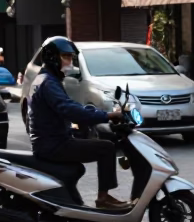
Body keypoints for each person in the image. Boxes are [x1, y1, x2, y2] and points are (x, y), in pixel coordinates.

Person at [27, 37, 132, 212]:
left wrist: (89, 118)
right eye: (66, 57)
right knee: (106, 148)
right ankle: (104, 198)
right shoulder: (48, 83)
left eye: (71, 58)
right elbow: (68, 109)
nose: (70, 62)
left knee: (97, 143)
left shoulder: (47, 79)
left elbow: (68, 107)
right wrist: (107, 115)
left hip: (50, 140)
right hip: (53, 144)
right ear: (53, 57)